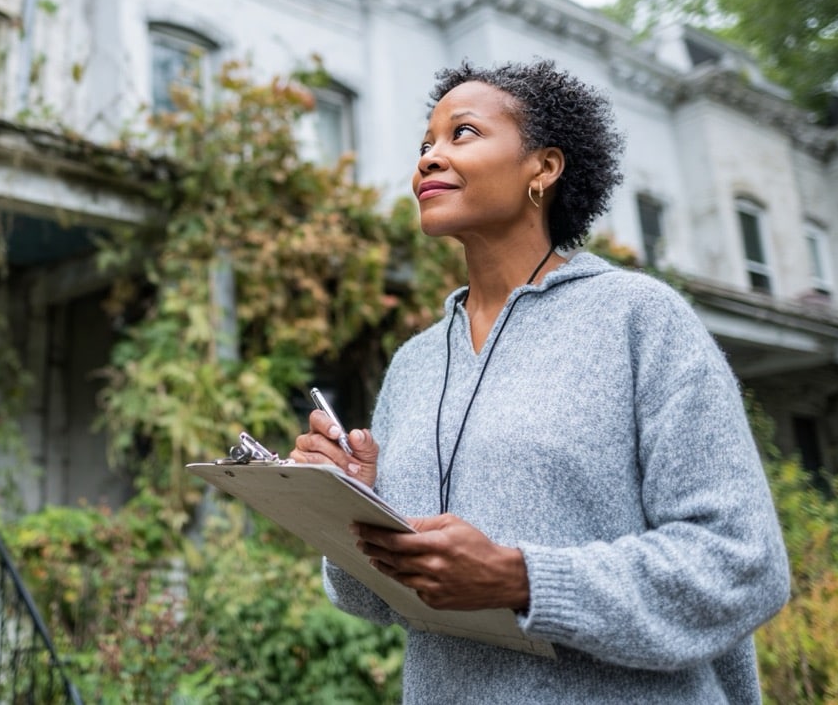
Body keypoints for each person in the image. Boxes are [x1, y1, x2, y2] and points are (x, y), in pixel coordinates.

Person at [290, 60, 790, 703]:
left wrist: (522, 580)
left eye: (461, 133)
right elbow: (378, 598)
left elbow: (743, 565)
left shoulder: (638, 319)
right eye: (424, 145)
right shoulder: (416, 363)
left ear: (544, 168)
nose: (429, 159)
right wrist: (350, 502)